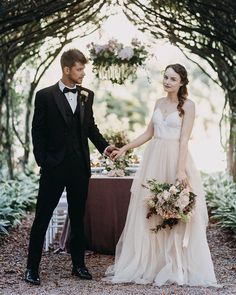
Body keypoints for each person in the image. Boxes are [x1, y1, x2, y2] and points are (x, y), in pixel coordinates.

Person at [106, 64, 217, 286]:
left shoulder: (188, 105)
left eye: (173, 79)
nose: (167, 82)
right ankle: (151, 263)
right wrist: (126, 148)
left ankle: (176, 263)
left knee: (175, 209)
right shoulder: (158, 103)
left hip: (176, 157)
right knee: (151, 208)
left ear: (182, 82)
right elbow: (149, 132)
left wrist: (180, 169)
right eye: (165, 77)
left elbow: (184, 139)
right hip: (154, 158)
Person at [25, 49, 118, 285]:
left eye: (83, 69)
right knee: (43, 217)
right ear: (67, 70)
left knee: (78, 218)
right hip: (53, 167)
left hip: (79, 168)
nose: (83, 73)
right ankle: (31, 269)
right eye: (79, 69)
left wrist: (105, 148)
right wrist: (43, 160)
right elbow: (38, 131)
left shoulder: (88, 95)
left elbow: (91, 128)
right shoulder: (44, 96)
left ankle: (78, 265)